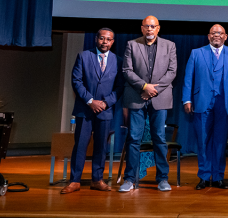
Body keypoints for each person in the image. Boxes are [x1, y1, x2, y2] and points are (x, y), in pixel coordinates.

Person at [61, 28, 124, 194]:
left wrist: (105, 103)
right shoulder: (83, 56)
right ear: (96, 39)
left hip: (105, 110)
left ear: (113, 42)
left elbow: (119, 87)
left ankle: (97, 179)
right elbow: (76, 81)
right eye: (102, 38)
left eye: (108, 39)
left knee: (101, 146)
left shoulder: (118, 60)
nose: (105, 42)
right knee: (80, 145)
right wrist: (90, 101)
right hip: (85, 110)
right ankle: (75, 181)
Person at [119, 15, 177, 192]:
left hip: (160, 97)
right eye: (147, 26)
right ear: (142, 28)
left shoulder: (170, 45)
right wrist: (144, 86)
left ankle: (162, 179)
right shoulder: (132, 44)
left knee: (159, 138)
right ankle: (130, 179)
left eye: (153, 26)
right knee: (134, 139)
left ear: (158, 28)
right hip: (137, 96)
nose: (150, 29)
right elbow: (127, 70)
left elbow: (172, 71)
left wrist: (153, 90)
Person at [182, 24, 228, 190]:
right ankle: (203, 176)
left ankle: (217, 177)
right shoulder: (197, 53)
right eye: (214, 33)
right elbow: (188, 78)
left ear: (226, 36)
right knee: (202, 141)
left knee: (220, 142)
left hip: (225, 104)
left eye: (220, 33)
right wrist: (186, 100)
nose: (217, 35)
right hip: (202, 103)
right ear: (209, 36)